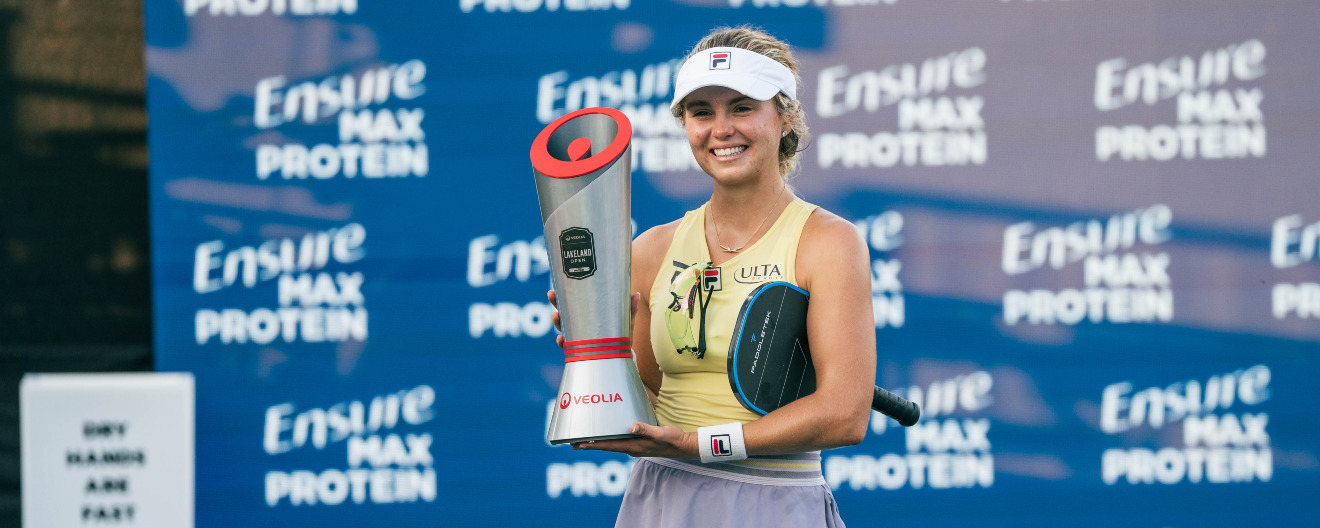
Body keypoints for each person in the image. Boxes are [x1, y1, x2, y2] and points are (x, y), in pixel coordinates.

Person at [552, 26, 876, 528]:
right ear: (685, 125)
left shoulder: (829, 242)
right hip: (661, 497)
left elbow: (844, 414)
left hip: (775, 500)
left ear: (785, 117)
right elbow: (649, 401)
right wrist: (593, 351)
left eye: (742, 107)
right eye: (702, 112)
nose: (721, 129)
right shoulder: (651, 249)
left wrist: (699, 444)